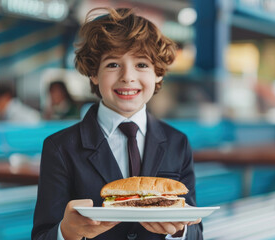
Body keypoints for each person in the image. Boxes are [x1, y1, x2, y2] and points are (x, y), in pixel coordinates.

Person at [32, 7, 203, 240]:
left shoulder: (177, 143)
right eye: (113, 64)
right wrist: (65, 232)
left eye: (141, 64)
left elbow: (196, 231)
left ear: (158, 73)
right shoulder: (60, 148)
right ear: (94, 73)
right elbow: (42, 235)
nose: (127, 76)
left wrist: (180, 231)